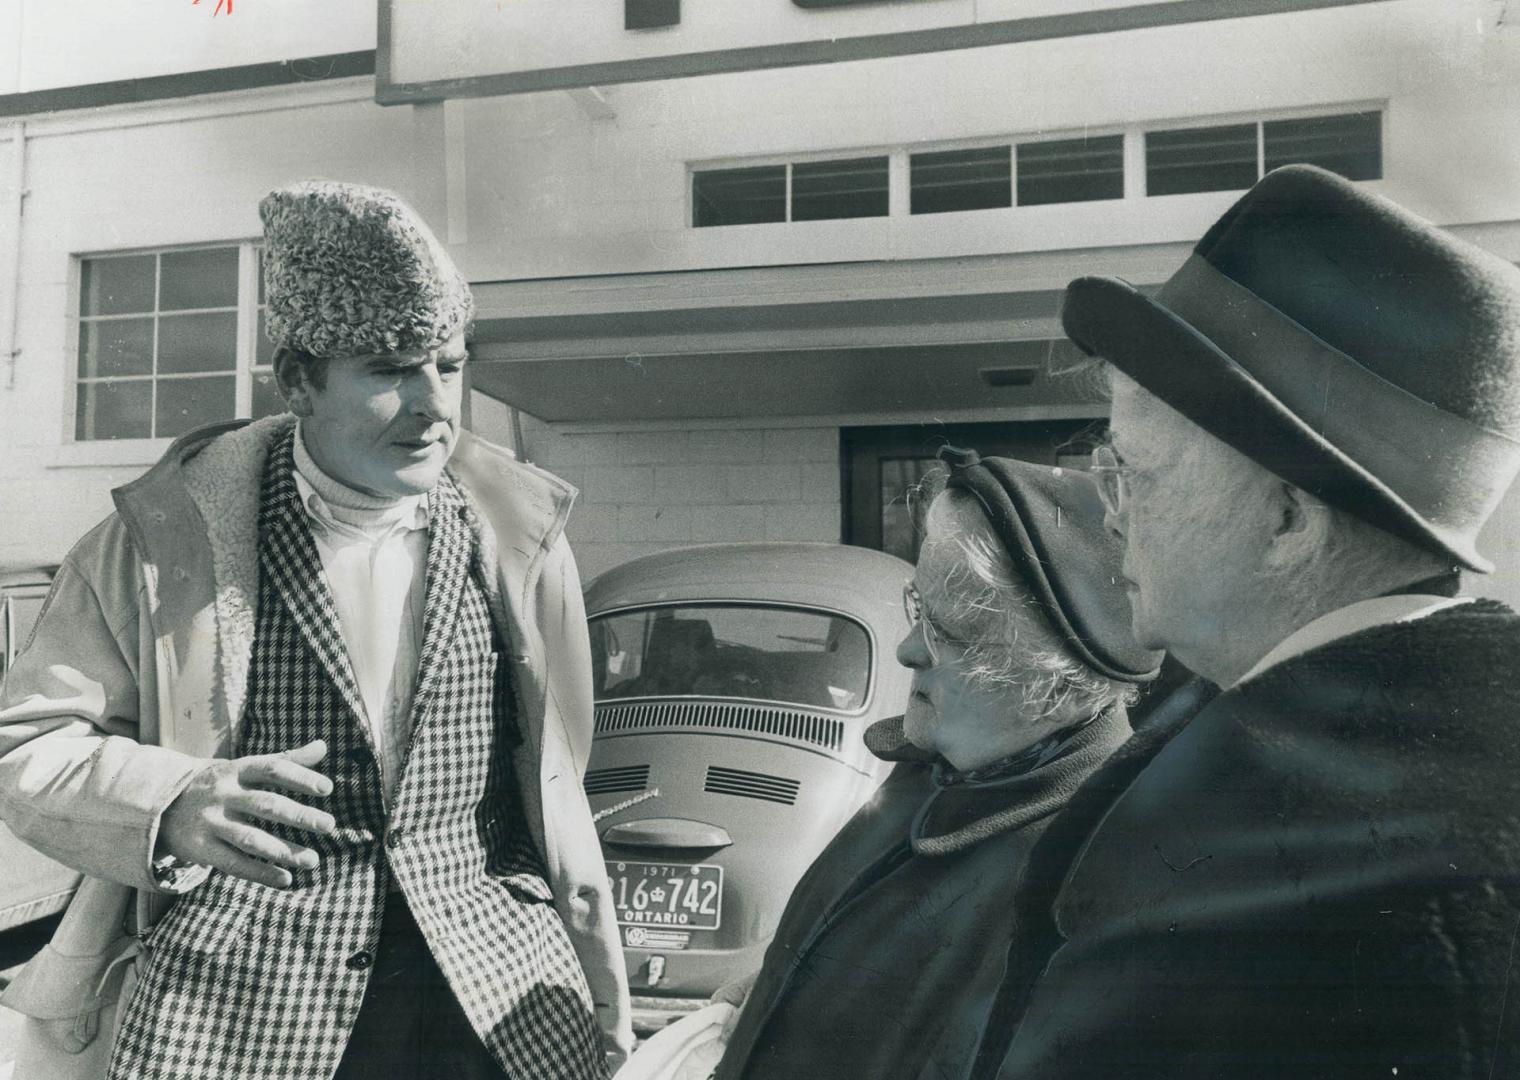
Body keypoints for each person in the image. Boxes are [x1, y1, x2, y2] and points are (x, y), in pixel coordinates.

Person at [0, 182, 632, 1079]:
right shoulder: (158, 543)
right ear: (295, 378)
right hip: (238, 1018)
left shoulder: (525, 538)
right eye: (387, 369)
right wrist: (170, 799)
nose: (434, 405)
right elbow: (29, 742)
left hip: (498, 998)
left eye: (448, 365)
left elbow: (556, 782)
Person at [976, 164, 1520, 1079]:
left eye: (1132, 471)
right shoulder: (1442, 773)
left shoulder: (1280, 849)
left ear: (1287, 521)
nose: (1112, 512)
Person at [713, 448, 1162, 1080]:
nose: (905, 649)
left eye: (946, 632)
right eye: (915, 606)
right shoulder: (938, 769)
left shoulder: (1089, 869)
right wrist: (776, 988)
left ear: (1053, 684)